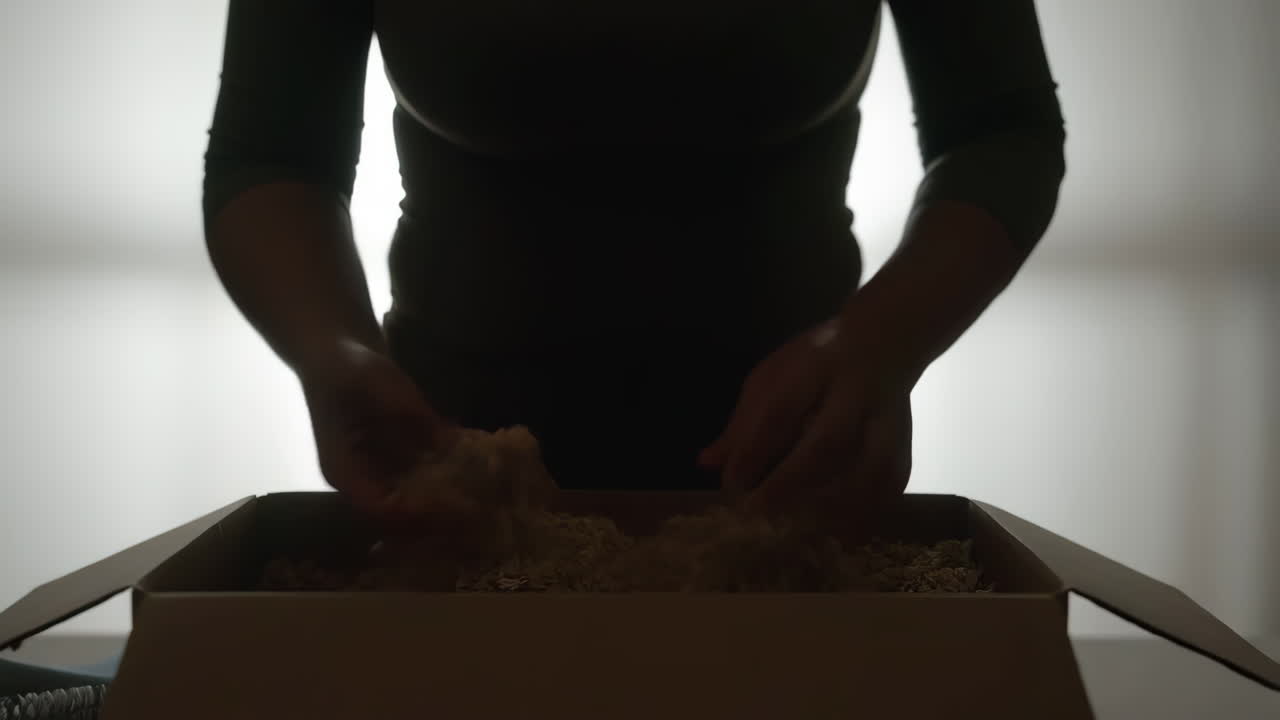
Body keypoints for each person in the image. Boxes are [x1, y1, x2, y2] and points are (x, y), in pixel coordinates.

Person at [204, 0, 1065, 529]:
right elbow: (272, 152)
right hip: (446, 492)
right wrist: (334, 354)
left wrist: (881, 342)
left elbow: (999, 128)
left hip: (795, 487)